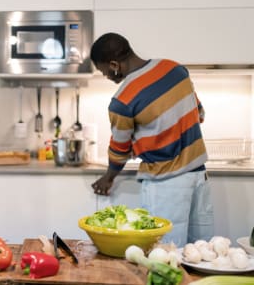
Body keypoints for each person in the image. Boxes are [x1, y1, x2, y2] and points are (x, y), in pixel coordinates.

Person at [89, 32, 214, 247]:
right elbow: (199, 114)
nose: (107, 77)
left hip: (166, 184)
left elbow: (119, 150)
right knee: (201, 253)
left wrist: (108, 178)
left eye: (104, 71)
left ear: (114, 64)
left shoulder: (122, 100)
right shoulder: (175, 69)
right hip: (199, 176)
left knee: (165, 254)